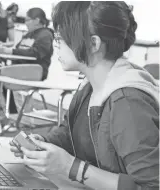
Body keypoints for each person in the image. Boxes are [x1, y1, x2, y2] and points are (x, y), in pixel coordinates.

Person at [10, 1, 159, 190]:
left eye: (61, 37)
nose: (56, 45)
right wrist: (42, 145)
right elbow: (71, 134)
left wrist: (70, 167)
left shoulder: (127, 102)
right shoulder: (90, 86)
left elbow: (151, 187)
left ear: (93, 43)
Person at [0, 7, 54, 80]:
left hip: (33, 71)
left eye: (27, 20)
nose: (25, 23)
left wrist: (10, 51)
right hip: (21, 68)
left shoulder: (45, 35)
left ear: (36, 21)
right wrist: (4, 48)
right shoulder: (29, 34)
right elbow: (18, 49)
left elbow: (36, 53)